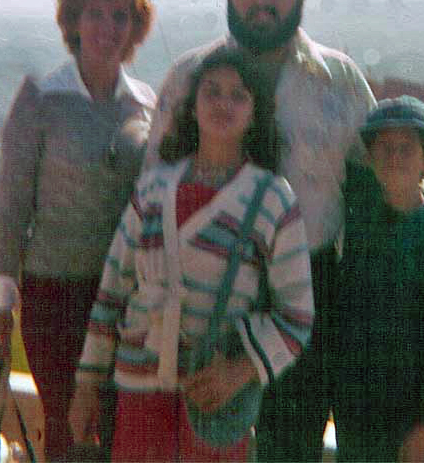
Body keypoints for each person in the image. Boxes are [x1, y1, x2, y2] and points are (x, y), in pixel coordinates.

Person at [141, 0, 424, 462]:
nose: (263, 1)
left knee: (290, 448)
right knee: (204, 443)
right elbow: (149, 192)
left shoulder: (338, 80)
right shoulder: (189, 78)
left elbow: (390, 168)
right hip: (204, 295)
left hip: (313, 292)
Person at [69, 47, 314, 462]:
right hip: (139, 391)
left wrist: (238, 374)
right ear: (193, 104)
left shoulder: (271, 199)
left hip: (215, 401)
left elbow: (298, 317)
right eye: (212, 91)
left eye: (239, 95)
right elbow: (111, 292)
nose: (223, 103)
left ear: (255, 111)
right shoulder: (152, 190)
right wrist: (88, 383)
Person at [0, 0, 156, 461]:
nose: (107, 28)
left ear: (135, 27)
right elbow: (12, 209)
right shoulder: (41, 99)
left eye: (120, 16)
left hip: (125, 299)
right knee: (67, 426)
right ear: (73, 22)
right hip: (54, 294)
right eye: (95, 13)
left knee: (119, 427)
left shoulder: (145, 105)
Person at [332, 96, 424, 462]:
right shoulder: (359, 213)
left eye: (406, 149)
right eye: (384, 148)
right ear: (370, 156)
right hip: (355, 405)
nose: (394, 157)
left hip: (406, 410)